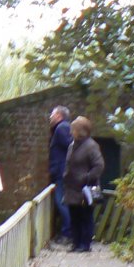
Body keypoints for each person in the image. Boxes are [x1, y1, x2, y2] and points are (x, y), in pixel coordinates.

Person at [63, 116, 105, 252]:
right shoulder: (72, 145)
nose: (71, 132)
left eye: (73, 130)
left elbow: (99, 165)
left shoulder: (91, 146)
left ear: (81, 131)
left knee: (85, 216)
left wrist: (86, 178)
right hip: (72, 188)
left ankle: (85, 244)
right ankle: (75, 243)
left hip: (85, 189)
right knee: (74, 216)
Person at [48, 106, 72, 241]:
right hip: (61, 171)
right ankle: (66, 231)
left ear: (59, 116)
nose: (50, 117)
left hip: (61, 172)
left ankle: (67, 233)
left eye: (52, 114)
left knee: (61, 202)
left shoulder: (61, 128)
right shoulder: (63, 128)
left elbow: (69, 146)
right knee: (61, 202)